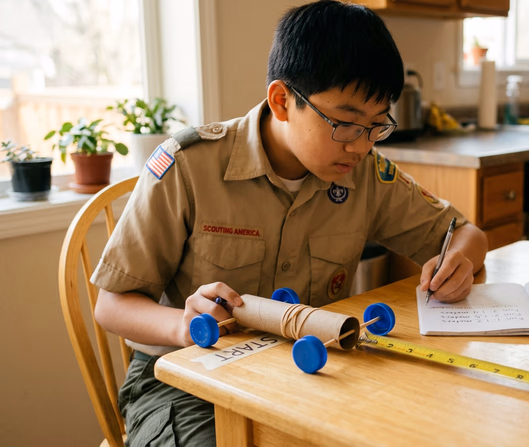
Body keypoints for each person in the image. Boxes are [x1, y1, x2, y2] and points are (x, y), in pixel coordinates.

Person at [91, 0, 488, 444]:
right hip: (183, 381)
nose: (360, 146)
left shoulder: (367, 175)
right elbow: (111, 306)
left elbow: (466, 234)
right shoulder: (189, 167)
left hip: (308, 371)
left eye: (377, 126)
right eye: (345, 123)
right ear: (282, 101)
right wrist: (181, 325)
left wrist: (458, 262)